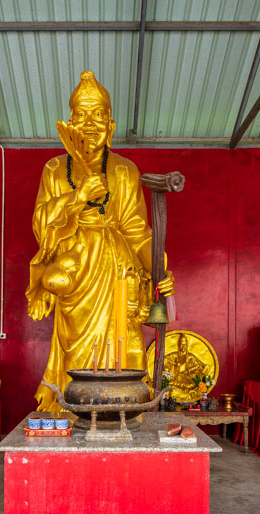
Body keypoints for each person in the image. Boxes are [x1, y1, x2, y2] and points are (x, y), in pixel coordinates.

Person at [27, 71, 174, 411]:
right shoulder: (55, 169)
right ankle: (75, 410)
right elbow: (41, 225)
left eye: (98, 114)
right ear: (70, 123)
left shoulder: (124, 170)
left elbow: (136, 230)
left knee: (123, 344)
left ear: (111, 125)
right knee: (77, 351)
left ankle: (122, 410)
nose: (90, 122)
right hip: (76, 270)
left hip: (117, 272)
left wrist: (159, 269)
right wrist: (78, 197)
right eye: (81, 114)